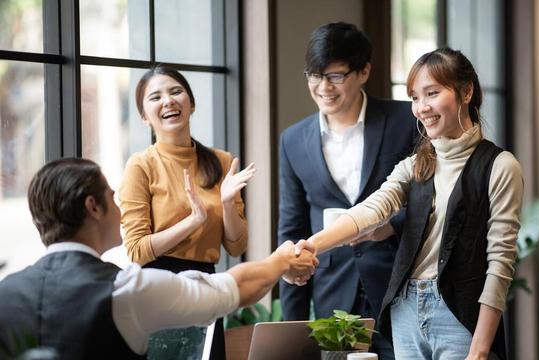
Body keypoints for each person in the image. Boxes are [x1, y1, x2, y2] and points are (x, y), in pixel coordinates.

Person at [290, 48, 524, 360]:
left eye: (432, 93)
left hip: (459, 318)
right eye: (414, 97)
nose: (421, 107)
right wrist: (310, 245)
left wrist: (480, 350)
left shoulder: (500, 166)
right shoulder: (417, 164)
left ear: (466, 92)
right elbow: (372, 209)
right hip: (406, 312)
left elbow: (500, 265)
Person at [0, 158, 317, 359]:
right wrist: (281, 260)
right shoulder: (125, 289)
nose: (121, 208)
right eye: (114, 197)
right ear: (93, 207)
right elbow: (231, 290)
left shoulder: (6, 292)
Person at [278, 22, 416, 359]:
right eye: (314, 75)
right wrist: (292, 327)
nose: (323, 87)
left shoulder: (404, 121)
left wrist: (390, 226)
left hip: (400, 291)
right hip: (333, 298)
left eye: (336, 76)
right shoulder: (293, 140)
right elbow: (292, 229)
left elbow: (432, 202)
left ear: (364, 71)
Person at [118, 65, 255, 359]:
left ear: (191, 103)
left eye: (176, 91)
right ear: (144, 116)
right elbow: (137, 250)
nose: (167, 101)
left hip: (206, 287)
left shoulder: (221, 161)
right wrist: (193, 221)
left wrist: (228, 203)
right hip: (156, 289)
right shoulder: (141, 165)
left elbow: (237, 245)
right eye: (155, 97)